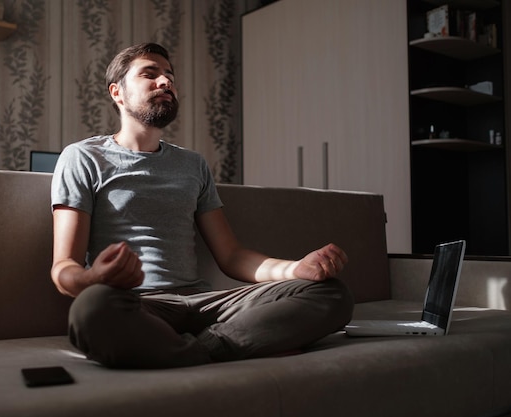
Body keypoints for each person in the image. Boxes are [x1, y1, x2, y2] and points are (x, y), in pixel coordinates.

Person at [50, 42, 353, 369]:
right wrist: (94, 278)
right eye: (150, 74)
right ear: (117, 92)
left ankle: (197, 350)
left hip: (204, 304)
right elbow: (63, 268)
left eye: (169, 75)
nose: (165, 82)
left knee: (330, 294)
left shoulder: (192, 165)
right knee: (90, 309)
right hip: (138, 306)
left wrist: (296, 269)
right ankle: (228, 347)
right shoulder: (83, 157)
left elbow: (232, 256)